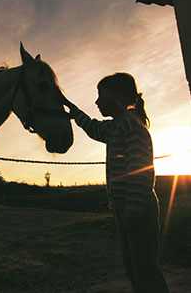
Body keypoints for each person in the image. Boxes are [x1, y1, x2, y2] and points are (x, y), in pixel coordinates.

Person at [69, 72, 169, 293]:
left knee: (145, 271)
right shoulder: (115, 127)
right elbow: (92, 127)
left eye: (100, 96)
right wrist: (72, 109)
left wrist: (132, 212)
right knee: (134, 270)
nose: (96, 102)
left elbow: (140, 175)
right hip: (126, 209)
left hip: (138, 209)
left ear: (116, 97)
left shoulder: (132, 128)